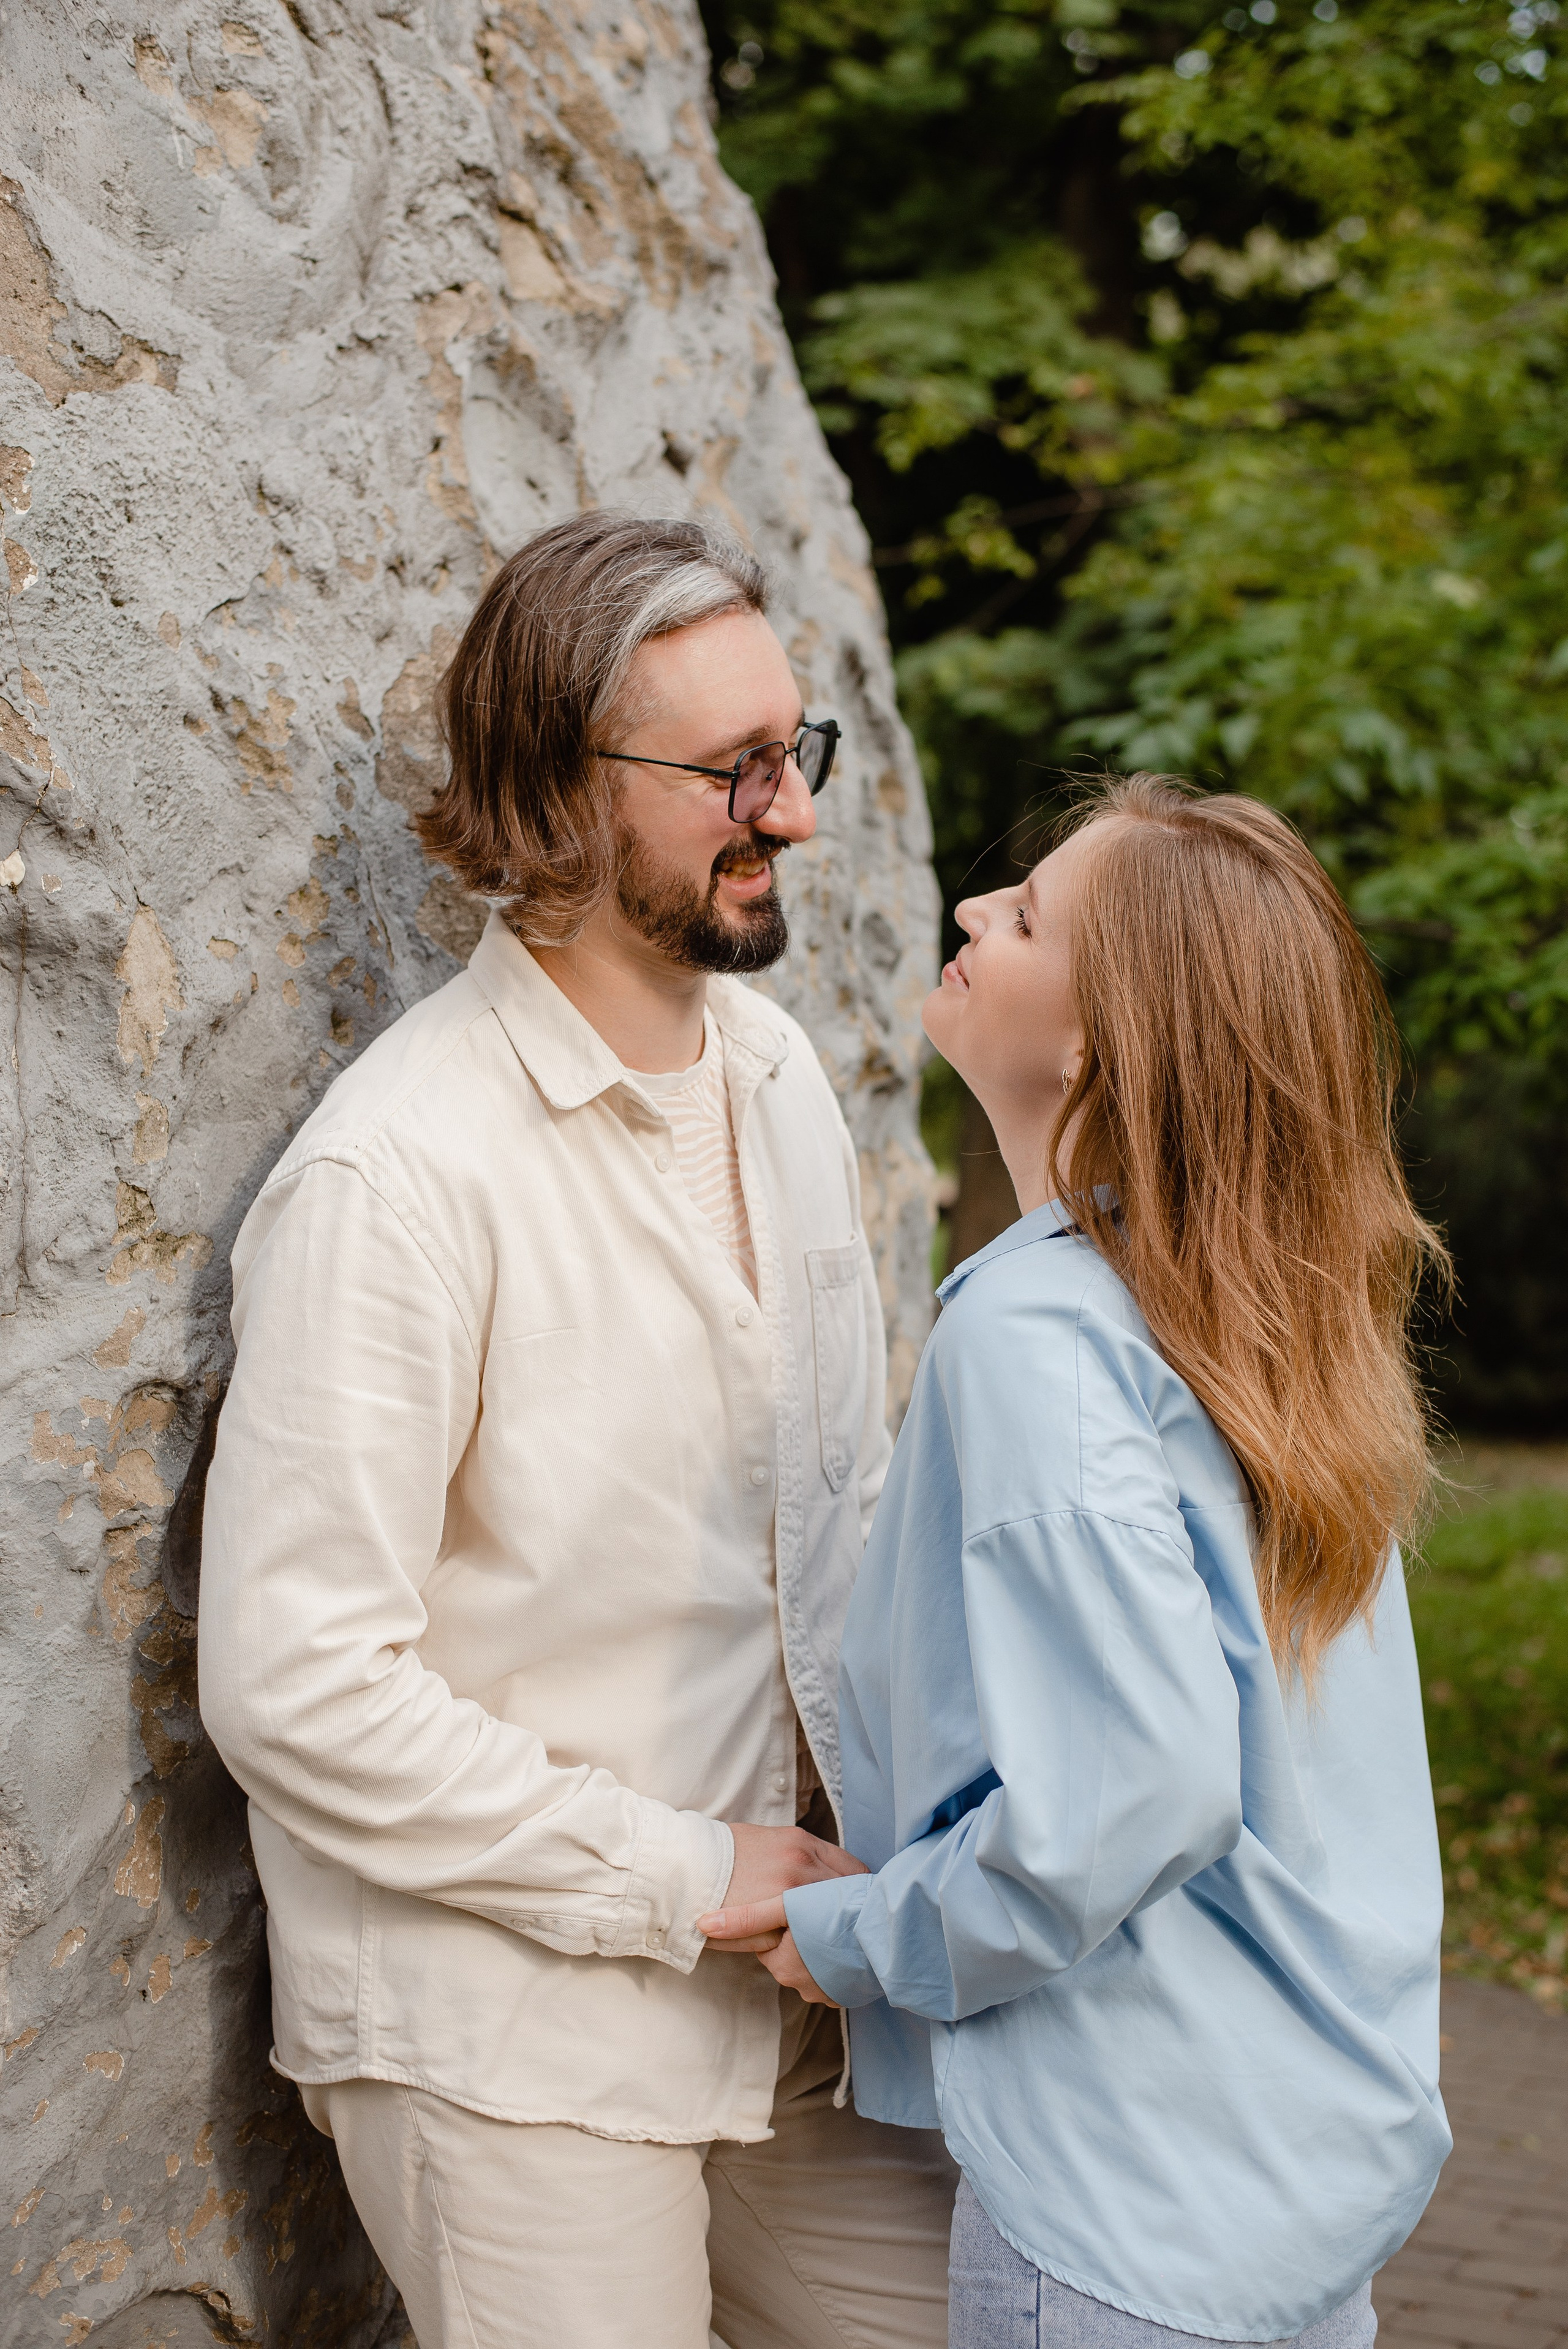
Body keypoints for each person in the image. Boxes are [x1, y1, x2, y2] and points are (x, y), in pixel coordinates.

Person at [198, 512, 957, 2349]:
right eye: (734, 769)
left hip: (796, 1987)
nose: (791, 810)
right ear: (556, 781)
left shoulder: (772, 1079)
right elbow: (294, 1683)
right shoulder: (397, 1175)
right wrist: (685, 1874)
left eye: (799, 751)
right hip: (510, 2033)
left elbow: (833, 1519)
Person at [703, 775, 1453, 2347]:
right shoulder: (1264, 1336)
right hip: (1303, 2187)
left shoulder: (1040, 1338)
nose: (975, 910)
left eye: (1027, 913)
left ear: (1100, 1043)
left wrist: (855, 1938)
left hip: (1126, 2219)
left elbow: (1130, 1793)